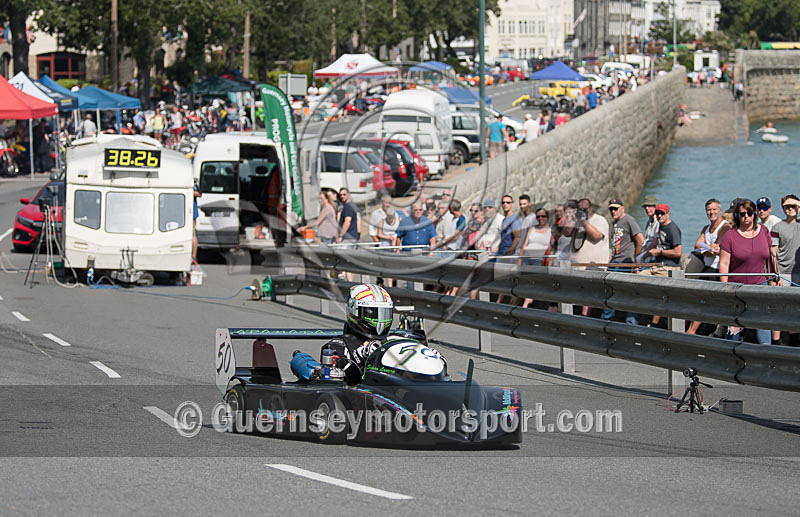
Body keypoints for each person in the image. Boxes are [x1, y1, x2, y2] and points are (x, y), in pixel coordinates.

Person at [290, 283, 446, 384]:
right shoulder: (341, 344)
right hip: (365, 398)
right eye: (373, 313)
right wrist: (364, 355)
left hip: (401, 390)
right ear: (355, 311)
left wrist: (431, 357)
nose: (379, 320)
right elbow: (336, 374)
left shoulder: (396, 339)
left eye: (384, 313)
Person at [719, 199, 777, 345]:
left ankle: (766, 354)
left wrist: (775, 277)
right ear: (737, 216)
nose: (746, 217)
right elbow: (724, 263)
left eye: (749, 213)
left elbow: (771, 257)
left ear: (754, 214)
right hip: (737, 288)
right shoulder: (730, 235)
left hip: (760, 286)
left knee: (763, 325)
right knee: (734, 329)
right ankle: (730, 354)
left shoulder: (764, 231)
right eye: (742, 214)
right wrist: (725, 287)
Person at [632, 203, 682, 327]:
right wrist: (643, 256)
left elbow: (678, 252)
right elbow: (654, 242)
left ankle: (654, 323)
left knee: (660, 294)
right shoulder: (660, 226)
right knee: (634, 280)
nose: (659, 216)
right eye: (657, 213)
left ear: (668, 214)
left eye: (662, 213)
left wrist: (660, 252)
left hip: (669, 267)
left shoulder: (672, 229)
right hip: (657, 265)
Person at [685, 198, 730, 334]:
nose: (711, 212)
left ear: (720, 210)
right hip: (707, 268)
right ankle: (696, 330)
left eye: (714, 209)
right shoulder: (706, 228)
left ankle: (692, 331)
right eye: (709, 210)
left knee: (704, 302)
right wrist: (708, 248)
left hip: (717, 269)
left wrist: (707, 248)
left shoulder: (725, 227)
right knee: (700, 301)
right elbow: (697, 246)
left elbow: (716, 248)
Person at [600, 198, 643, 324]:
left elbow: (640, 240)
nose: (613, 211)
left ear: (622, 209)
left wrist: (635, 260)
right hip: (615, 261)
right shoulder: (615, 223)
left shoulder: (629, 220)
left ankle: (628, 321)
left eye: (616, 208)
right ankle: (608, 320)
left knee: (624, 291)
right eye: (611, 209)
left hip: (625, 261)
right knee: (609, 291)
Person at [770, 195, 800, 346]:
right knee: (780, 308)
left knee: (795, 308)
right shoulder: (777, 227)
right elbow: (773, 253)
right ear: (782, 208)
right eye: (787, 206)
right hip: (783, 272)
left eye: (794, 206)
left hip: (798, 273)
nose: (790, 209)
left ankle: (794, 341)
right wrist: (776, 275)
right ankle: (776, 341)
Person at [640, 195, 660, 263]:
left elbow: (655, 242)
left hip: (653, 258)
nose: (647, 208)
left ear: (655, 207)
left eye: (649, 206)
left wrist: (644, 254)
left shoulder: (658, 222)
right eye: (645, 207)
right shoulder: (649, 222)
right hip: (647, 257)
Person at [192, 180, 201, 260]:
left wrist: (188, 192)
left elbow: (199, 193)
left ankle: (194, 256)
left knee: (193, 234)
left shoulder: (192, 182)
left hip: (191, 214)